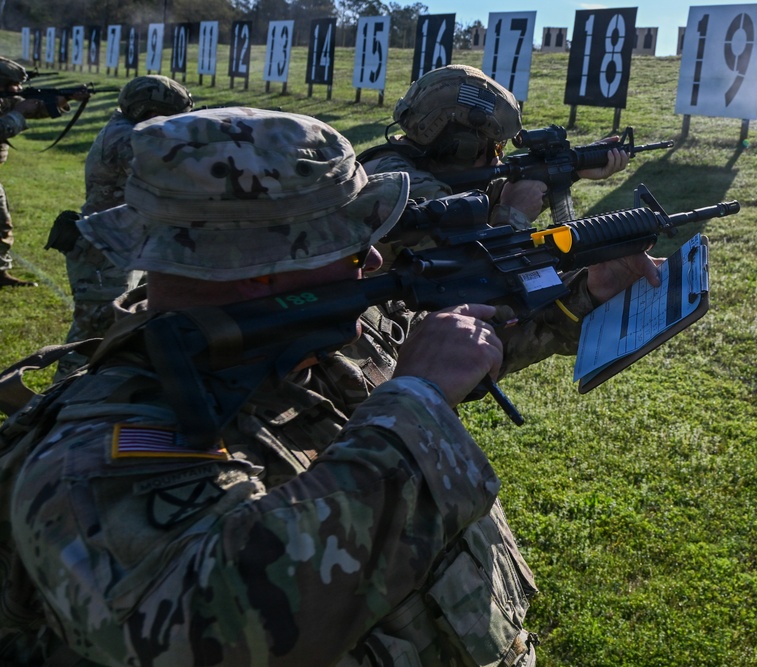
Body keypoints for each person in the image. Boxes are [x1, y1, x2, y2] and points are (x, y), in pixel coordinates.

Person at [0, 107, 660, 666]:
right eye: (344, 239)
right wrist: (417, 401)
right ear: (258, 268)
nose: (371, 255)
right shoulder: (92, 457)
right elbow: (216, 625)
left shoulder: (323, 324)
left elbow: (461, 344)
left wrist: (579, 298)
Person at [359, 65, 629, 265]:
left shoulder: (412, 164)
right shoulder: (407, 187)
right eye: (496, 147)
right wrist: (514, 213)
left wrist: (573, 169)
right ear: (460, 148)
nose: (498, 159)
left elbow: (481, 200)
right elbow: (473, 274)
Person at [48, 74, 194, 380]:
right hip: (104, 252)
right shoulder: (127, 138)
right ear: (148, 112)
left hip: (124, 244)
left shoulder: (131, 128)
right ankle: (56, 400)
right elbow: (175, 175)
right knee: (91, 339)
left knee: (127, 327)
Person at [0, 56, 87, 288]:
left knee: (1, 222)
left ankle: (0, 272)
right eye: (12, 85)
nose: (17, 90)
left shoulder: (5, 100)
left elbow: (31, 108)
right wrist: (18, 113)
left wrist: (65, 98)